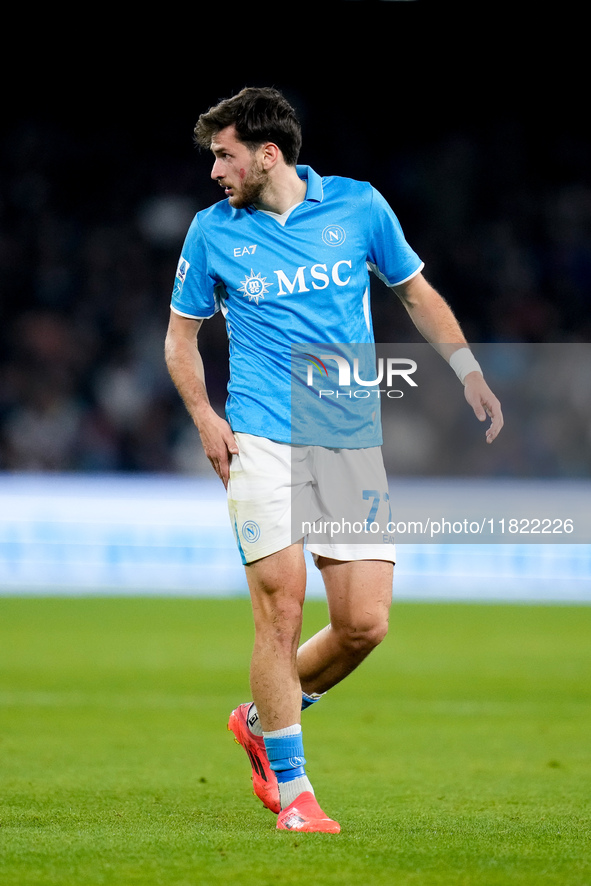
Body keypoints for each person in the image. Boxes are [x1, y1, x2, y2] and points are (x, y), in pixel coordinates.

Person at [164, 87, 503, 834]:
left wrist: (468, 371)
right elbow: (180, 338)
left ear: (267, 153)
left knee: (362, 625)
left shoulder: (357, 208)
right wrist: (204, 418)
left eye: (223, 154)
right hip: (259, 435)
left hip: (346, 433)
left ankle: (259, 721)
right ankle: (295, 795)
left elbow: (412, 291)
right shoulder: (210, 232)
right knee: (280, 610)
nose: (214, 169)